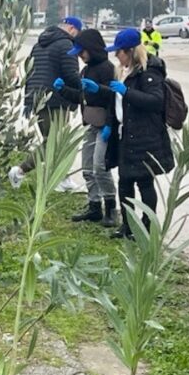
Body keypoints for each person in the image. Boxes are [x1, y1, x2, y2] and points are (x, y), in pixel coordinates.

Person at [96, 28, 174, 239]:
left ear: (130, 51)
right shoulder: (124, 71)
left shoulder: (149, 72)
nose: (116, 56)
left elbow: (155, 101)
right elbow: (118, 102)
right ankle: (128, 225)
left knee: (144, 182)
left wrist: (127, 92)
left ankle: (147, 226)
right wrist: (103, 94)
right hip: (125, 134)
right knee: (125, 181)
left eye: (119, 52)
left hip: (145, 136)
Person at [9, 16, 82, 189]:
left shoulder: (39, 44)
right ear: (72, 28)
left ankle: (60, 177)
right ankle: (21, 171)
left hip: (38, 99)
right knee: (54, 142)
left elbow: (30, 72)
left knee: (53, 140)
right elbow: (71, 75)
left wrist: (28, 100)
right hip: (56, 99)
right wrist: (82, 91)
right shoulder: (66, 45)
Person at [57, 29, 118, 226]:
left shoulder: (107, 68)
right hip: (91, 123)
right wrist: (63, 90)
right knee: (87, 167)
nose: (81, 57)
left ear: (91, 49)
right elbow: (82, 97)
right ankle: (94, 205)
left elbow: (113, 98)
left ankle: (110, 207)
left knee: (100, 166)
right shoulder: (86, 70)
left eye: (82, 52)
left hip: (104, 124)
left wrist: (109, 124)